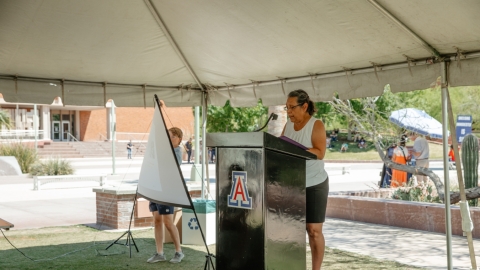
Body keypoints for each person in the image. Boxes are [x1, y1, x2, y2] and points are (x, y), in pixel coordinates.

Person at [281, 89, 329, 270]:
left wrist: (298, 152)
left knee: (313, 231)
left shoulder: (316, 125)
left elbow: (320, 152)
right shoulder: (288, 125)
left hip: (315, 183)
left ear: (305, 106)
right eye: (287, 108)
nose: (289, 112)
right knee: (292, 230)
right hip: (294, 184)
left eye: (292, 108)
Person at [147, 127, 185, 264]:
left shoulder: (177, 152)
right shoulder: (162, 150)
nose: (170, 139)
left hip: (167, 191)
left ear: (179, 139)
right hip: (156, 189)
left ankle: (179, 252)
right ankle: (159, 253)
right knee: (157, 220)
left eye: (173, 137)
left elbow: (170, 167)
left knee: (168, 222)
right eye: (168, 136)